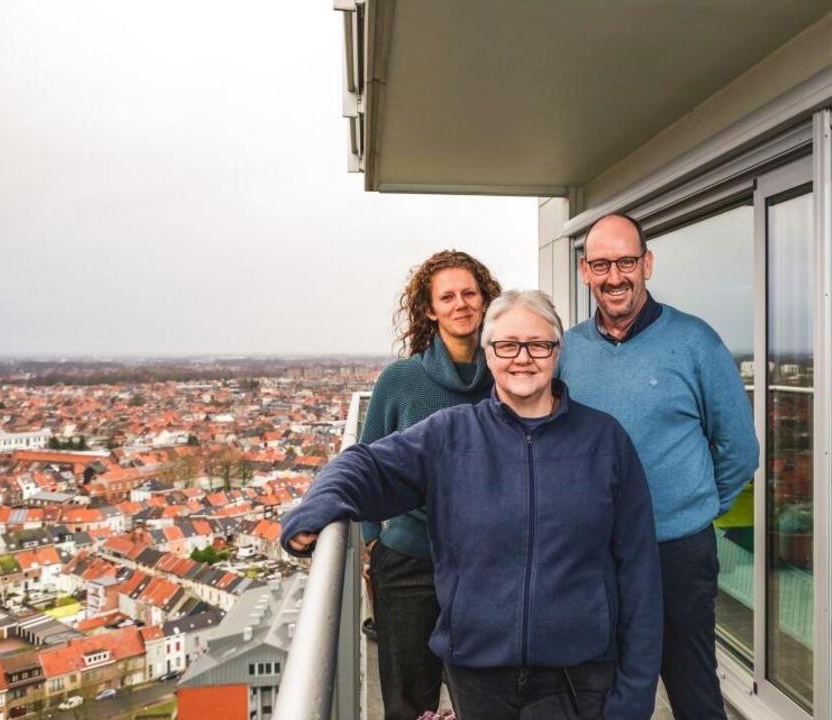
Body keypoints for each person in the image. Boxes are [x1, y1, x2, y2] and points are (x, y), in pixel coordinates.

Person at [283, 290, 663, 720]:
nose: (523, 358)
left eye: (538, 344)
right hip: (478, 676)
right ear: (488, 353)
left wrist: (635, 696)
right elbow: (365, 463)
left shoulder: (605, 441)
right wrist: (317, 507)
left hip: (579, 676)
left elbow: (639, 573)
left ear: (557, 351)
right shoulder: (450, 436)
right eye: (506, 345)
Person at [558, 213, 760, 720]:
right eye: (601, 264)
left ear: (646, 263)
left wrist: (698, 509)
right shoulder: (568, 351)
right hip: (595, 551)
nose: (614, 276)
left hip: (677, 552)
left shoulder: (697, 343)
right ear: (585, 271)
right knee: (603, 685)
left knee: (691, 684)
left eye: (626, 261)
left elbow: (739, 448)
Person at [359, 250, 501, 720]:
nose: (461, 304)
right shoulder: (400, 381)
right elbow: (367, 463)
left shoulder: (508, 376)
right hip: (409, 561)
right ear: (429, 309)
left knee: (486, 697)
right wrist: (371, 541)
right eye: (448, 296)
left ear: (485, 301)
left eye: (469, 293)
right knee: (407, 701)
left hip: (488, 563)